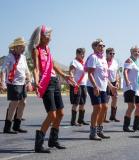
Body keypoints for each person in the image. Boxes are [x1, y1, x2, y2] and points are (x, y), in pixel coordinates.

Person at [29, 25, 75, 153]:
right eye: (47, 35)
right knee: (52, 114)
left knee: (60, 113)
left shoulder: (47, 49)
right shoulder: (36, 50)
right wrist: (36, 81)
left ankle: (53, 140)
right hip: (46, 83)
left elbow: (53, 64)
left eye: (50, 35)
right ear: (41, 36)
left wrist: (64, 75)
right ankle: (38, 144)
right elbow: (36, 68)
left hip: (55, 81)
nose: (49, 37)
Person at [86, 39, 117, 140]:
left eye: (103, 46)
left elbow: (105, 75)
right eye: (100, 46)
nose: (102, 47)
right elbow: (90, 73)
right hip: (93, 86)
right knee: (97, 108)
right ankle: (93, 132)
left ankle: (100, 130)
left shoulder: (103, 58)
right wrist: (95, 86)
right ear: (94, 47)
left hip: (103, 87)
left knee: (105, 107)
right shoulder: (93, 57)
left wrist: (111, 86)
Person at [1, 37, 32, 134]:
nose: (23, 49)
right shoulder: (9, 57)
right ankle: (7, 127)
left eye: (24, 47)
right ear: (16, 47)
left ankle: (17, 126)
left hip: (22, 83)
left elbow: (26, 70)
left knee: (23, 103)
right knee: (14, 104)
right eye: (22, 47)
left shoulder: (23, 57)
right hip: (13, 83)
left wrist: (29, 81)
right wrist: (2, 83)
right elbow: (3, 70)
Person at [122, 45, 139, 132]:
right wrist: (127, 81)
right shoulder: (129, 60)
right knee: (131, 106)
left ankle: (136, 126)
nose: (137, 53)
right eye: (135, 51)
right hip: (130, 87)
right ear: (131, 52)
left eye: (138, 51)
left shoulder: (137, 62)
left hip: (137, 88)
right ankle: (126, 126)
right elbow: (125, 71)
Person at [69, 48, 89, 126]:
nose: (83, 55)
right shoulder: (74, 62)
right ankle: (73, 121)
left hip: (84, 85)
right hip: (76, 85)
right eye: (81, 54)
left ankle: (81, 120)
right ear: (77, 54)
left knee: (82, 103)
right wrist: (73, 82)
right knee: (76, 103)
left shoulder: (83, 63)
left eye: (84, 54)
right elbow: (71, 72)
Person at [105, 47, 120, 122]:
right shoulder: (104, 61)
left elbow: (117, 72)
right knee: (106, 99)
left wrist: (117, 81)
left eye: (113, 53)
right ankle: (104, 117)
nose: (112, 55)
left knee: (115, 98)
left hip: (114, 81)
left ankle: (113, 116)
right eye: (111, 53)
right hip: (107, 82)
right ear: (107, 54)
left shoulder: (115, 62)